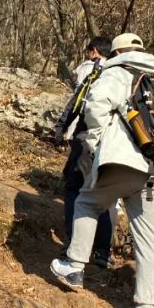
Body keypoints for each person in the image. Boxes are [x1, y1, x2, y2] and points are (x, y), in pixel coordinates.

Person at [51, 32, 154, 308]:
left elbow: (95, 105)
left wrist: (96, 142)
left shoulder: (117, 72)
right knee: (149, 240)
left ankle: (74, 267)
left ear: (115, 53)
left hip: (125, 161)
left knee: (88, 202)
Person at [53, 36, 115, 268]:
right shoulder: (130, 76)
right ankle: (102, 252)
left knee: (74, 189)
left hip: (87, 138)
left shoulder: (95, 71)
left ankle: (73, 245)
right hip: (115, 143)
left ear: (95, 51)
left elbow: (77, 101)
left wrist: (61, 126)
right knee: (104, 194)